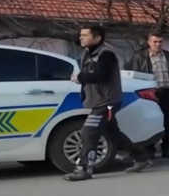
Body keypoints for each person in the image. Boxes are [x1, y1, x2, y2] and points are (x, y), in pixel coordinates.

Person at [66, 25, 155, 181]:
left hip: (106, 103)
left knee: (89, 132)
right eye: (81, 35)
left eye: (85, 35)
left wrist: (80, 78)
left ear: (97, 38)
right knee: (113, 134)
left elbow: (100, 75)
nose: (81, 38)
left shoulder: (106, 54)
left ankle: (84, 168)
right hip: (98, 101)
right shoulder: (87, 53)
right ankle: (141, 158)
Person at [126, 32, 169, 158]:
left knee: (168, 121)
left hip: (168, 93)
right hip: (150, 94)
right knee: (151, 122)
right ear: (149, 42)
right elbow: (133, 75)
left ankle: (167, 148)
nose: (158, 44)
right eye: (155, 42)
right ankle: (149, 149)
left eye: (160, 42)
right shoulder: (139, 56)